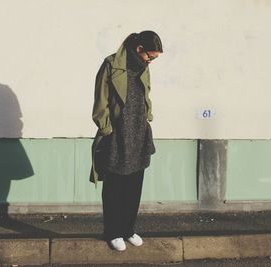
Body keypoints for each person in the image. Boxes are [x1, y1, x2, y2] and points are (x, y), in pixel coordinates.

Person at [90, 31, 163, 251]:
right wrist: (107, 129)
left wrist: (147, 116)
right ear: (139, 48)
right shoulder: (111, 64)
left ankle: (127, 229)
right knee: (114, 187)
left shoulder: (144, 67)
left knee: (134, 186)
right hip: (117, 135)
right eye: (150, 56)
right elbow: (100, 100)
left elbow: (145, 95)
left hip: (139, 133)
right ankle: (112, 232)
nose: (151, 61)